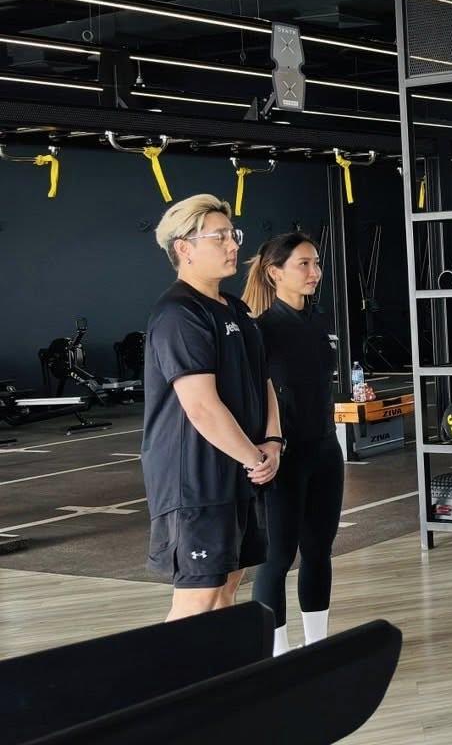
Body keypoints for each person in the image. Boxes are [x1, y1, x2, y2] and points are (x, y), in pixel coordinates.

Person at [141, 195, 281, 622]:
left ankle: (221, 667)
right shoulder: (179, 314)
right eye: (219, 237)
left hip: (240, 473)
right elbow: (201, 406)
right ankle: (162, 670)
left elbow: (264, 381)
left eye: (232, 235)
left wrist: (273, 441)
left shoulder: (235, 309)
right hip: (196, 483)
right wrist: (254, 458)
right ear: (184, 248)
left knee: (226, 591)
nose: (233, 245)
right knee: (197, 600)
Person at [245, 233, 342, 655]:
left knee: (319, 552)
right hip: (284, 458)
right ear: (275, 272)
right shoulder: (261, 330)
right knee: (277, 557)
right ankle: (277, 652)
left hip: (325, 451)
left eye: (316, 263)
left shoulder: (319, 321)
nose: (314, 272)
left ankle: (317, 645)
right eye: (303, 264)